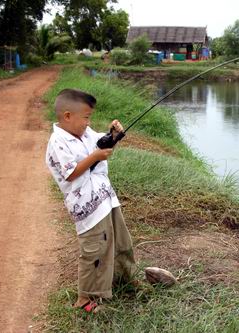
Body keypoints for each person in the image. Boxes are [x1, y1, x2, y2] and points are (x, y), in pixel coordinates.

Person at [45, 89, 137, 312]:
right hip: (87, 208)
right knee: (94, 251)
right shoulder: (57, 143)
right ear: (68, 116)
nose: (88, 122)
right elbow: (71, 173)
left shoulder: (85, 134)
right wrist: (95, 157)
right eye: (86, 117)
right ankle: (85, 299)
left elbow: (102, 143)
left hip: (106, 199)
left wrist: (114, 135)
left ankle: (124, 282)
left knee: (121, 242)